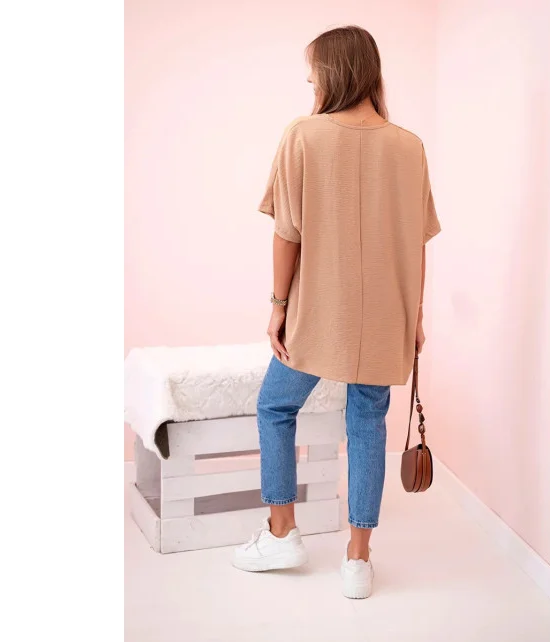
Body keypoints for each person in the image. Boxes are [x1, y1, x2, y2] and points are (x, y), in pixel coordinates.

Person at [232, 25, 441, 599]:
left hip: (318, 308)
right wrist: (414, 316)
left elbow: (287, 232)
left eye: (313, 75)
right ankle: (358, 560)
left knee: (276, 406)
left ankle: (282, 533)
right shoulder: (410, 146)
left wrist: (278, 306)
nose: (311, 84)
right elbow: (417, 244)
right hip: (387, 313)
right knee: (367, 422)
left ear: (332, 73)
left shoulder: (303, 135)